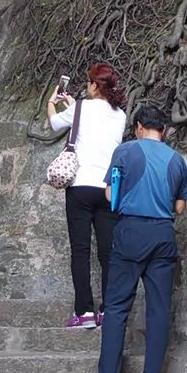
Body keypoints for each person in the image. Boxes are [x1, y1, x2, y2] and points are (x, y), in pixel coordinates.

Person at [85, 105, 187, 373]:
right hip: (163, 234)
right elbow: (179, 207)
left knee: (117, 306)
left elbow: (109, 195)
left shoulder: (125, 151)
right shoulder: (177, 160)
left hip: (130, 231)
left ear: (140, 126)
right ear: (164, 130)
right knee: (158, 310)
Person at [48, 64, 126, 329]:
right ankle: (108, 310)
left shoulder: (80, 108)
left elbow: (54, 123)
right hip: (107, 189)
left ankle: (84, 313)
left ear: (94, 85)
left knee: (80, 251)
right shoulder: (121, 115)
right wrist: (75, 106)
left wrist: (53, 103)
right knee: (108, 252)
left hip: (80, 186)